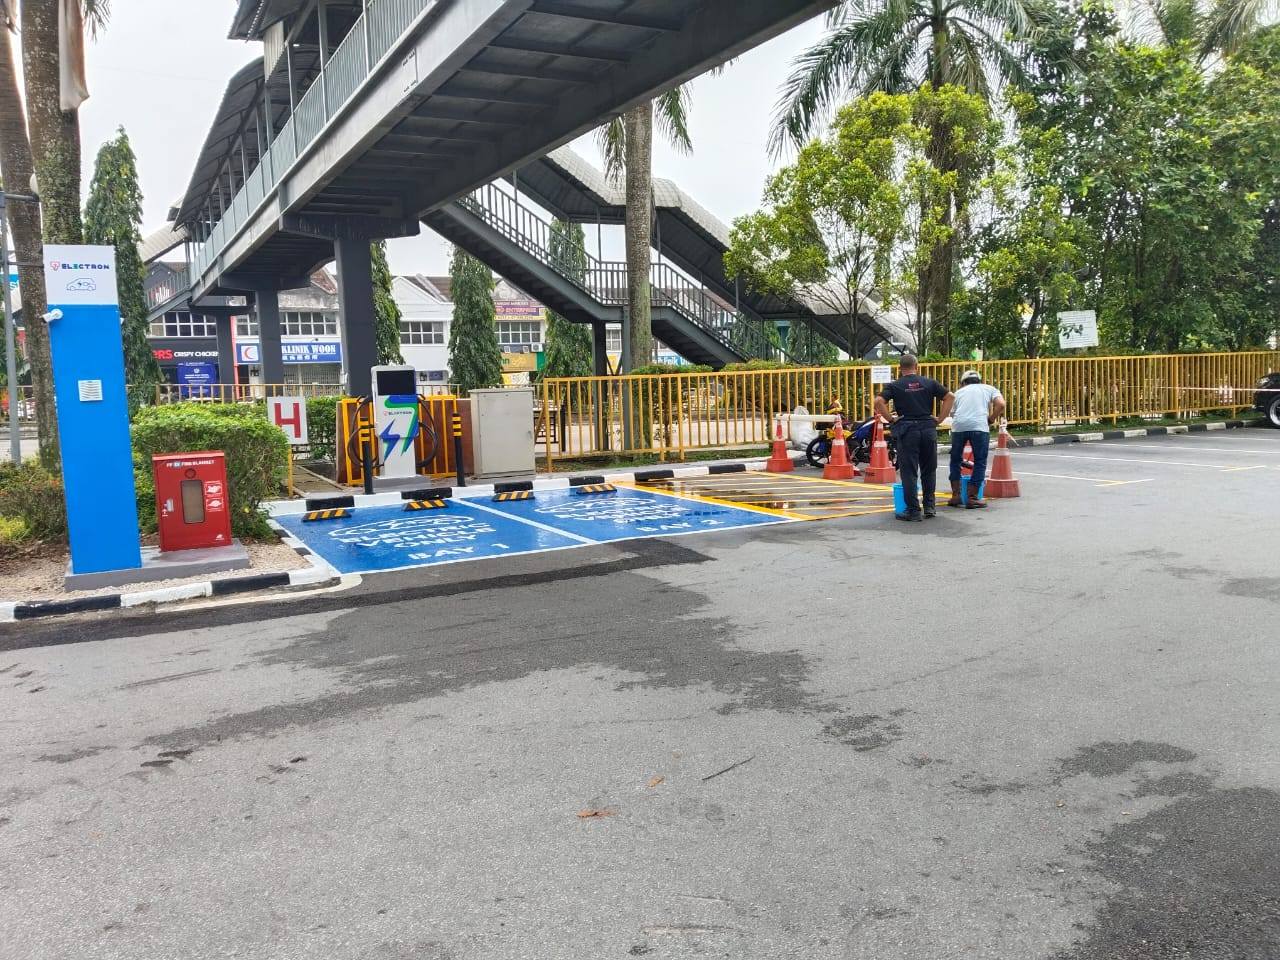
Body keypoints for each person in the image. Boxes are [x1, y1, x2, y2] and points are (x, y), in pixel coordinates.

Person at [874, 355, 954, 521]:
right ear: (917, 366)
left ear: (900, 368)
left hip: (907, 430)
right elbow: (950, 397)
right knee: (928, 470)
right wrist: (939, 419)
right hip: (928, 428)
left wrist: (891, 419)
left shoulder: (895, 385)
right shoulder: (929, 383)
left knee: (909, 472)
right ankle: (930, 507)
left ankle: (913, 511)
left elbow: (878, 401)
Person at [948, 370, 1006, 509]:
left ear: (963, 382)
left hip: (959, 427)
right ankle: (972, 498)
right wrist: (991, 419)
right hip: (979, 426)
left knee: (955, 460)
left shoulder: (958, 393)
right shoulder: (989, 388)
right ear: (979, 380)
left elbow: (953, 413)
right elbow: (1001, 405)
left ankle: (956, 496)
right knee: (980, 461)